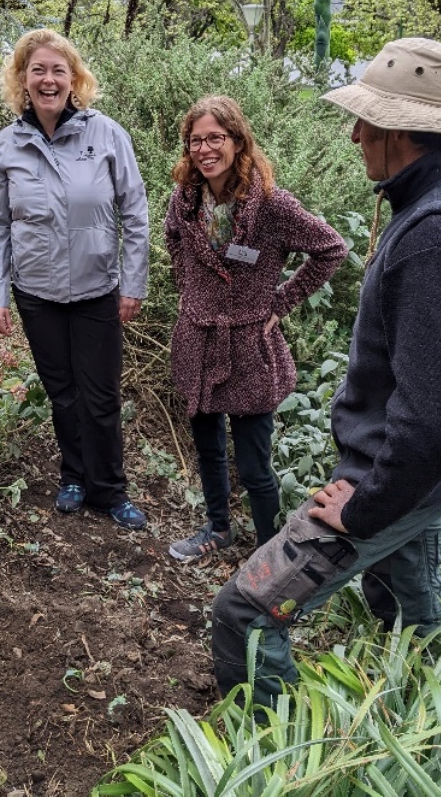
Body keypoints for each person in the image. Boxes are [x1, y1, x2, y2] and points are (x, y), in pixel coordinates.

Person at [211, 37, 441, 705]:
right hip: (425, 477)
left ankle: (273, 749)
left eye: (365, 121)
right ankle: (435, 721)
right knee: (411, 617)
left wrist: (367, 506)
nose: (354, 136)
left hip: (397, 476)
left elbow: (433, 420)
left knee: (245, 615)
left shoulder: (436, 236)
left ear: (400, 131)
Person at [164, 95, 348, 561]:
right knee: (208, 449)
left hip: (249, 348)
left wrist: (279, 302)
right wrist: (188, 287)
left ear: (237, 141)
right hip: (197, 339)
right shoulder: (184, 201)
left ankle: (269, 554)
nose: (205, 149)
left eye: (215, 138)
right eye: (195, 141)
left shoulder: (270, 204)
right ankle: (217, 528)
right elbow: (173, 240)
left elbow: (331, 248)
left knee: (254, 466)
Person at [0, 28, 149, 530]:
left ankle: (110, 490)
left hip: (98, 289)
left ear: (74, 79)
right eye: (38, 70)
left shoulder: (107, 134)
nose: (48, 80)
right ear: (22, 79)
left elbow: (135, 214)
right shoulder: (9, 143)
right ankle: (73, 476)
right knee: (64, 394)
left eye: (59, 70)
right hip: (36, 293)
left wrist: (133, 284)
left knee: (101, 398)